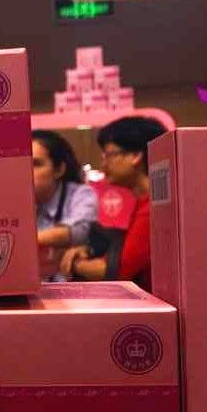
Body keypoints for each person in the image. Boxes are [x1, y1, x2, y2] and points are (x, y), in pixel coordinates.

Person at [60, 116, 167, 291]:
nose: (103, 164)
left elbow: (115, 270)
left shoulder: (152, 208)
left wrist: (73, 263)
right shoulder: (146, 202)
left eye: (109, 155)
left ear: (135, 156)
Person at [32, 130, 98, 281]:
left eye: (36, 164)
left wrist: (21, 240)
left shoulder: (81, 194)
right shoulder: (16, 200)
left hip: (71, 288)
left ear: (59, 169)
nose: (26, 171)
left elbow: (77, 232)